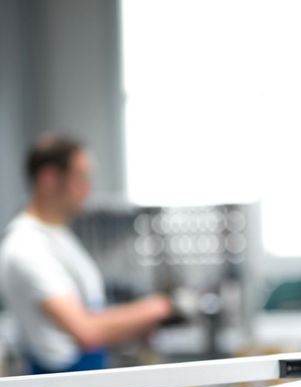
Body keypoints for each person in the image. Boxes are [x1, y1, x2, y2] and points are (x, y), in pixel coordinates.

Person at [0, 135, 175, 374]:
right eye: (80, 176)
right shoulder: (25, 246)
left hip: (83, 385)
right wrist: (156, 308)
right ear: (49, 179)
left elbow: (92, 314)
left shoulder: (59, 234)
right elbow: (86, 330)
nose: (88, 187)